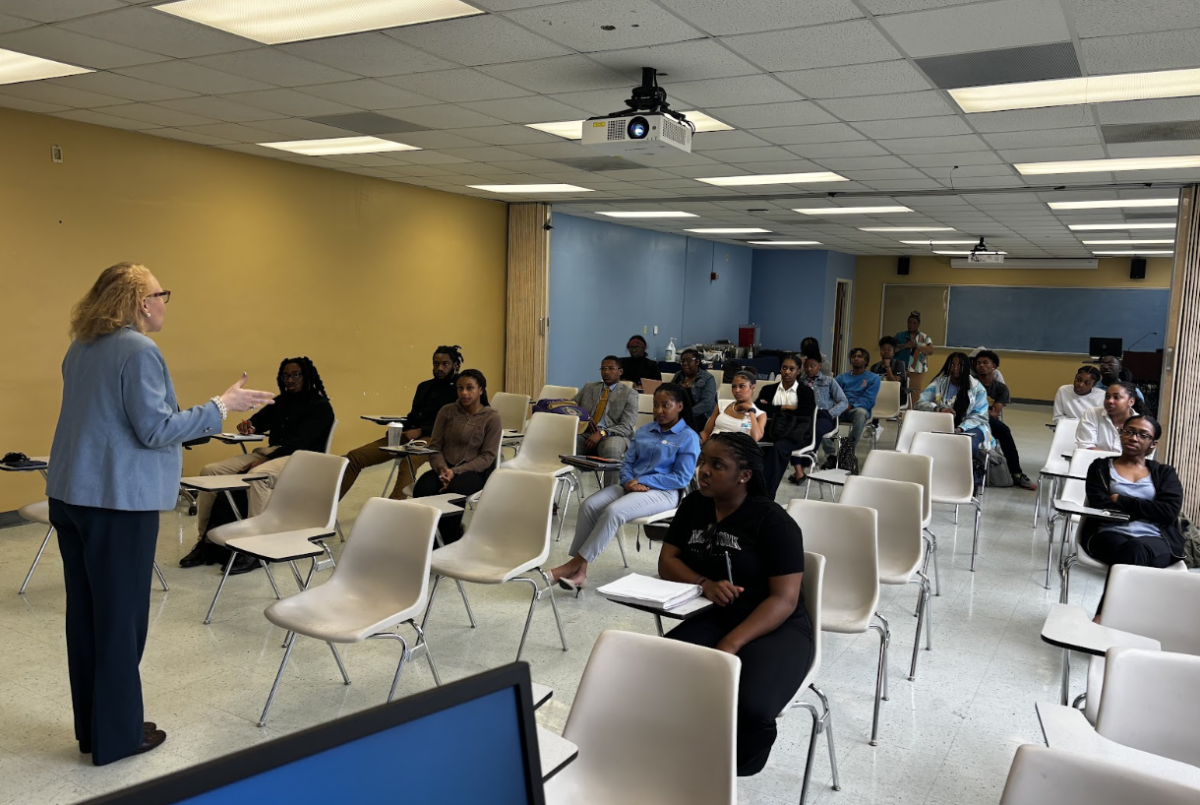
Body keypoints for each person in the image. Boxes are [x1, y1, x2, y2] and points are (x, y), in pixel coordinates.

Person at [46, 263, 275, 765]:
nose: (164, 301)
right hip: (116, 501)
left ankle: (97, 727)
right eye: (159, 293)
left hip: (70, 496)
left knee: (86, 616)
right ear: (139, 302)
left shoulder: (81, 347)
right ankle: (120, 736)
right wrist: (222, 404)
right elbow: (154, 430)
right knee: (121, 621)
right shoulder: (139, 350)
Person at [659, 432, 812, 777]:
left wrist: (731, 643)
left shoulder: (773, 521)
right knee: (660, 670)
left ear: (744, 476)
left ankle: (733, 769)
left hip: (776, 626)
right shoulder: (695, 505)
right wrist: (704, 583)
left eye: (717, 465)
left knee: (753, 708)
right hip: (717, 614)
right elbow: (667, 561)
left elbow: (785, 600)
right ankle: (680, 749)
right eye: (702, 462)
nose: (704, 471)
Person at [180, 356, 335, 571]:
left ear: (307, 376)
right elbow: (258, 423)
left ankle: (256, 550)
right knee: (210, 471)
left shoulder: (320, 407)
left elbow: (297, 444)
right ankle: (205, 542)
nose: (290, 380)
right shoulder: (281, 402)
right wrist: (248, 425)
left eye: (296, 375)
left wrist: (264, 460)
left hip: (302, 460)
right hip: (271, 454)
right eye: (286, 376)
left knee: (258, 476)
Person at [550, 384, 700, 590]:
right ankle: (580, 572)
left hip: (664, 492)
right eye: (656, 405)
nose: (659, 411)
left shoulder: (688, 437)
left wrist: (643, 481)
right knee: (589, 506)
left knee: (614, 511)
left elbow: (681, 478)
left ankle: (572, 566)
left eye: (665, 405)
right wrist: (630, 481)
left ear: (680, 406)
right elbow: (627, 462)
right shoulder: (646, 430)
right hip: (631, 486)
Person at [338, 346, 461, 499]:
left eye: (445, 364)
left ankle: (394, 510)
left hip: (435, 439)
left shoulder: (460, 389)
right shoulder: (424, 386)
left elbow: (454, 421)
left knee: (409, 460)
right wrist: (399, 428)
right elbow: (413, 416)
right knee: (355, 457)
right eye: (436, 364)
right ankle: (326, 507)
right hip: (409, 436)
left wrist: (421, 431)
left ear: (455, 365)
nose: (439, 368)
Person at [1081, 415, 1182, 578]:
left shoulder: (1165, 473)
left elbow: (1169, 512)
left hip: (1156, 539)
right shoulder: (1100, 468)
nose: (1134, 438)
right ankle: (1134, 602)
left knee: (1136, 548)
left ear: (1153, 444)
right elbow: (1100, 508)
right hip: (1108, 534)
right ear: (1121, 434)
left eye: (1143, 435)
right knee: (1132, 550)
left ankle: (1114, 602)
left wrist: (1121, 499)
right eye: (1129, 431)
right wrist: (1149, 510)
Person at [412, 369, 502, 544]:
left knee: (455, 492)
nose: (464, 393)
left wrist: (456, 471)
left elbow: (487, 457)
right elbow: (435, 447)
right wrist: (443, 469)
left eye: (470, 388)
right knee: (422, 488)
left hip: (474, 472)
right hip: (444, 468)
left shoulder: (492, 418)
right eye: (460, 388)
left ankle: (451, 539)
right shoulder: (447, 411)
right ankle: (427, 541)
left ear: (481, 390)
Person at [916, 351, 993, 492]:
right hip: (944, 425)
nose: (956, 367)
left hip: (973, 426)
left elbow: (979, 416)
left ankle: (969, 481)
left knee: (967, 443)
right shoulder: (939, 383)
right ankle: (934, 477)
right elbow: (920, 403)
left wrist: (960, 429)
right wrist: (938, 409)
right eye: (952, 364)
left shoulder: (977, 388)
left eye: (960, 365)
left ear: (967, 367)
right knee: (925, 439)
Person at [972, 350, 1036, 490]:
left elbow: (995, 413)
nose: (981, 366)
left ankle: (1017, 473)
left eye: (985, 363)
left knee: (1004, 431)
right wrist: (985, 411)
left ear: (993, 366)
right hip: (970, 420)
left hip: (986, 421)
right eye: (978, 363)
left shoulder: (1000, 388)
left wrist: (982, 411)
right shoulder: (970, 383)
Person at [756, 354, 817, 494]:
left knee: (778, 448)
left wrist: (772, 408)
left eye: (791, 369)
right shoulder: (769, 389)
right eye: (784, 368)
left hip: (796, 433)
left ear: (798, 371)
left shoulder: (805, 392)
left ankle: (765, 494)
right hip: (771, 430)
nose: (787, 372)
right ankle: (749, 490)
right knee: (749, 444)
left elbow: (805, 413)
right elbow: (758, 409)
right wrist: (785, 408)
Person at [573, 356, 638, 469]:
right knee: (564, 441)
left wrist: (602, 433)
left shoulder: (629, 394)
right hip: (586, 432)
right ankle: (568, 483)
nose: (606, 372)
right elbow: (571, 407)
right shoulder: (589, 387)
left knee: (612, 450)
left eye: (611, 368)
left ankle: (611, 487)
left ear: (620, 371)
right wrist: (586, 417)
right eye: (603, 369)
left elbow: (627, 426)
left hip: (613, 435)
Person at [801, 351, 848, 467]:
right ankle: (825, 455)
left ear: (819, 366)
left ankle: (808, 458)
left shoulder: (829, 381)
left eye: (812, 366)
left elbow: (844, 401)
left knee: (816, 429)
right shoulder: (800, 382)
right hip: (807, 415)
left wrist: (831, 413)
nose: (809, 369)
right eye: (806, 366)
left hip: (824, 415)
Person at [832, 347, 880, 456]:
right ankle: (829, 453)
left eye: (859, 356)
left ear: (866, 361)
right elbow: (831, 392)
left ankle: (848, 451)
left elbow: (868, 399)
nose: (855, 359)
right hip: (840, 409)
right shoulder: (842, 377)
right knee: (820, 414)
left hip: (856, 410)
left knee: (861, 413)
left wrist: (847, 407)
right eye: (853, 357)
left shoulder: (873, 378)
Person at [701, 370, 766, 443]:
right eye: (734, 386)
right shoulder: (722, 404)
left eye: (742, 386)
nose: (737, 390)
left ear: (753, 388)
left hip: (736, 450)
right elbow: (706, 432)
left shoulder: (760, 415)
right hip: (712, 445)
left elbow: (755, 438)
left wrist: (750, 411)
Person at [1077, 381, 1142, 452]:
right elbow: (1086, 447)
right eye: (1107, 397)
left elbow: (1140, 456)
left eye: (1116, 397)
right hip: (1094, 462)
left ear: (1131, 402)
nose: (1110, 401)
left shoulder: (1142, 424)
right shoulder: (1093, 414)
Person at [672, 348, 718, 431]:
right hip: (680, 414)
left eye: (688, 361)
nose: (684, 364)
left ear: (697, 362)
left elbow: (706, 403)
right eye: (682, 361)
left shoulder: (708, 378)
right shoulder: (678, 376)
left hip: (701, 415)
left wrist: (687, 414)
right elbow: (670, 394)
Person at [896, 311, 934, 406]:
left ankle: (912, 415)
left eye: (914, 323)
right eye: (909, 323)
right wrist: (905, 345)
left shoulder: (924, 337)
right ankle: (899, 415)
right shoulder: (900, 336)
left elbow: (930, 351)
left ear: (918, 324)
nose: (911, 325)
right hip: (901, 369)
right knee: (899, 394)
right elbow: (893, 349)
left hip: (917, 371)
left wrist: (916, 345)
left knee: (914, 395)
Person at [871, 335, 907, 402]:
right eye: (883, 349)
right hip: (877, 397)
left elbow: (895, 383)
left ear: (893, 352)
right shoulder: (874, 367)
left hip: (894, 398)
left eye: (889, 349)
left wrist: (888, 367)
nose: (886, 351)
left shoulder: (899, 364)